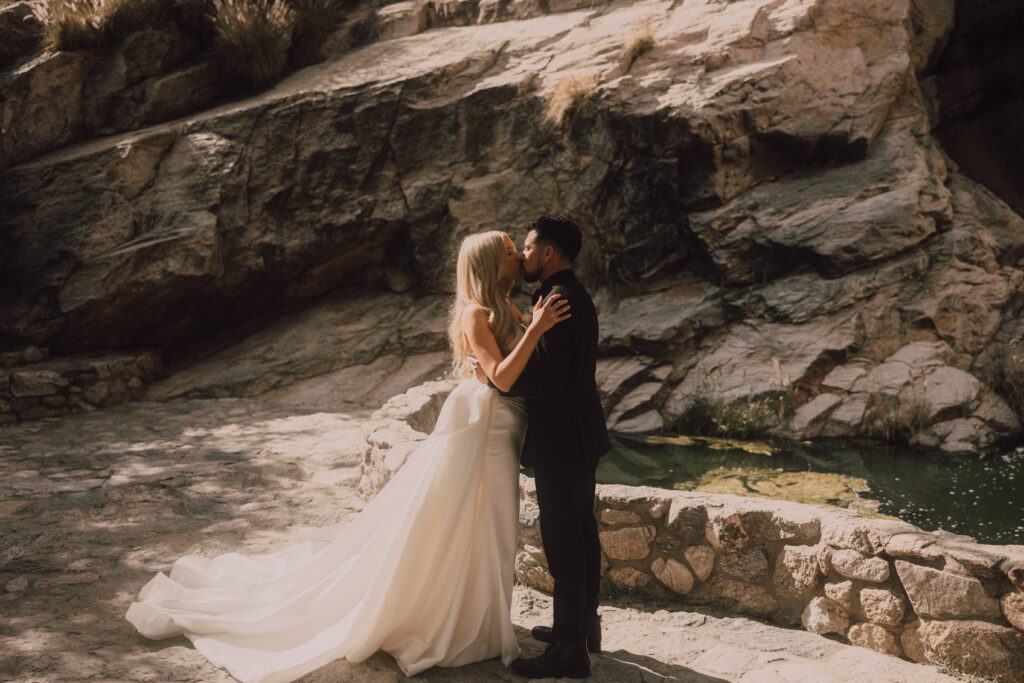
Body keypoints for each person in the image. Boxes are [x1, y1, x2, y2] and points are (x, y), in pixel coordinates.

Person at [125, 231, 570, 683]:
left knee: (492, 524)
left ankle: (480, 620)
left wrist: (529, 328)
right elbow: (503, 377)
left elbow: (515, 367)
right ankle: (464, 626)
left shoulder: (510, 308)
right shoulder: (476, 314)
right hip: (487, 428)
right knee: (479, 522)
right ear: (493, 264)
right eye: (511, 254)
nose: (518, 260)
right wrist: (535, 331)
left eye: (518, 253)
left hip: (504, 425)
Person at [509, 215, 610, 680]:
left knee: (563, 539)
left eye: (528, 248)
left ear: (547, 252)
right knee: (581, 532)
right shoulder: (571, 293)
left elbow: (547, 384)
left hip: (562, 439)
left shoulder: (559, 300)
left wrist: (500, 380)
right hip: (580, 433)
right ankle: (583, 625)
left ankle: (570, 648)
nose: (523, 256)